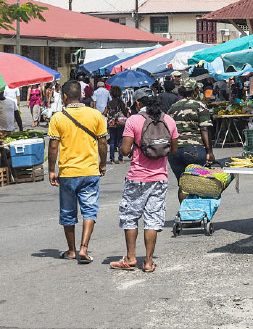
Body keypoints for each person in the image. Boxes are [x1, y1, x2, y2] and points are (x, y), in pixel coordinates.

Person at [110, 89, 178, 272]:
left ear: (138, 103)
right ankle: (148, 262)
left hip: (137, 178)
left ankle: (131, 258)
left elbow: (124, 151)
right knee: (153, 220)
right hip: (159, 178)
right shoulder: (169, 120)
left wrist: (124, 147)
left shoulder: (133, 121)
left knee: (130, 218)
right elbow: (173, 150)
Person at [46, 80, 108, 264]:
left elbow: (53, 147)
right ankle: (84, 248)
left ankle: (71, 250)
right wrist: (102, 164)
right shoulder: (95, 115)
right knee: (89, 211)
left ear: (64, 97)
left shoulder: (58, 118)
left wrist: (51, 170)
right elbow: (103, 143)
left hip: (67, 172)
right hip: (90, 170)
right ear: (81, 95)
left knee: (68, 212)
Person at [167, 79, 214, 203]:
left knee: (183, 185)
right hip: (195, 149)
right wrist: (209, 151)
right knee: (197, 184)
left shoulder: (173, 107)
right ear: (195, 91)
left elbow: (168, 129)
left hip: (175, 150)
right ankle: (195, 214)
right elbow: (204, 128)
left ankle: (185, 214)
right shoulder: (199, 105)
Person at [104, 86, 130, 164]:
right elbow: (125, 113)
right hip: (120, 123)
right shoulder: (120, 102)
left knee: (112, 141)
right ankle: (120, 159)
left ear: (111, 93)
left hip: (111, 123)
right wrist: (126, 109)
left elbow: (105, 113)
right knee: (120, 140)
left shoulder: (109, 103)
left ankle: (112, 159)